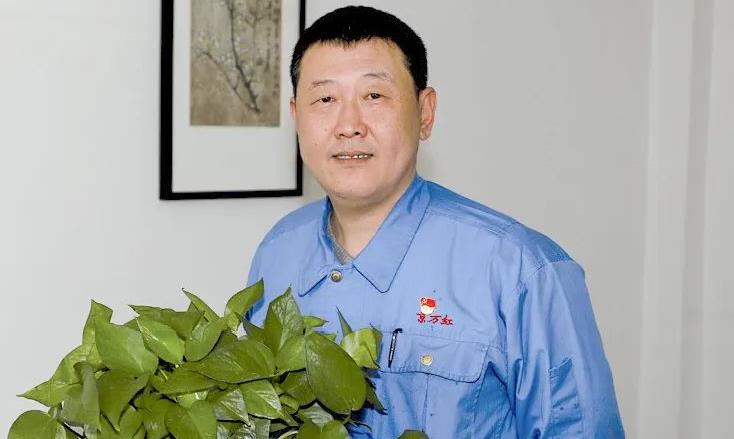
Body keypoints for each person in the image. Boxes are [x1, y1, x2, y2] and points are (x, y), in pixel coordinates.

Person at [247, 5, 624, 438]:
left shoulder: (522, 269)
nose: (349, 126)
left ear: (425, 113)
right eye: (325, 99)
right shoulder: (277, 253)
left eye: (374, 96)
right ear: (297, 117)